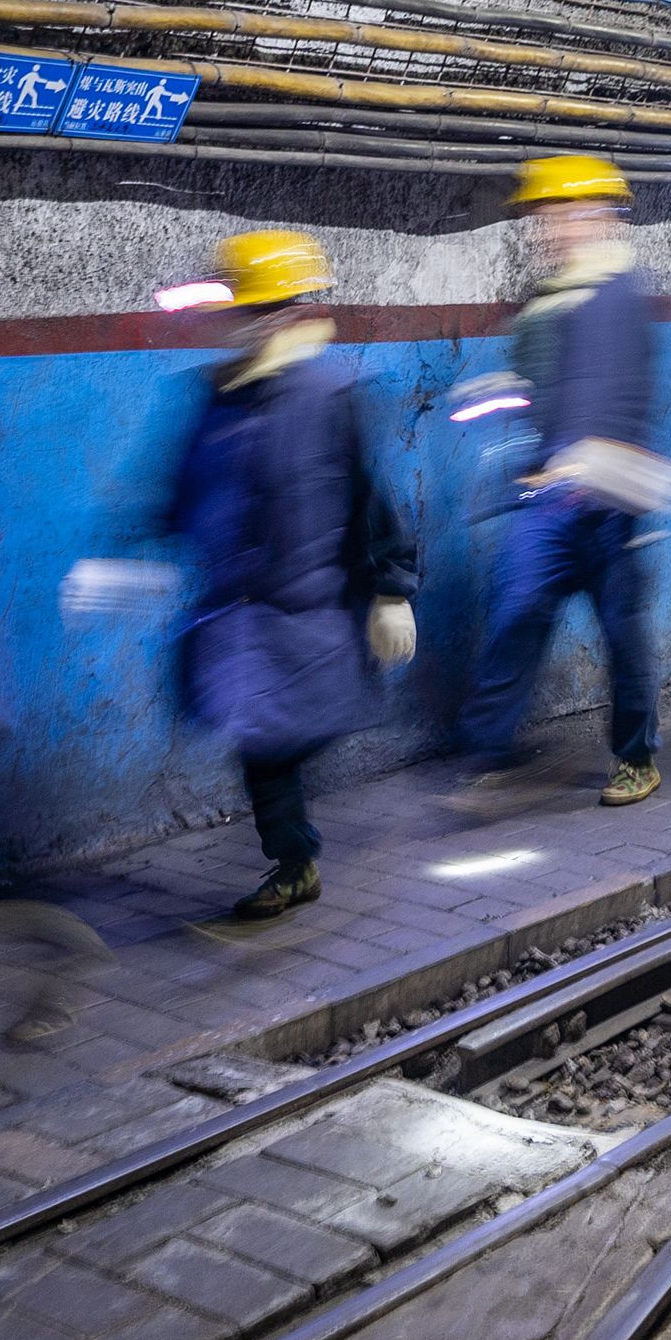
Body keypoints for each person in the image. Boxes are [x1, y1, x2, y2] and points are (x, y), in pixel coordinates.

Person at [164, 230, 418, 912]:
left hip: (312, 614)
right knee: (259, 742)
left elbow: (370, 498)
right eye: (242, 312)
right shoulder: (218, 398)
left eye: (259, 311)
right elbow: (184, 491)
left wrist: (391, 589)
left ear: (283, 313)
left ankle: (295, 856)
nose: (244, 325)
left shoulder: (328, 396)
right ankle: (294, 861)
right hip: (242, 616)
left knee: (288, 734)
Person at [454, 155, 671, 806]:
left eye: (561, 217)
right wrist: (506, 397)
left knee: (623, 634)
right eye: (542, 219)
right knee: (516, 609)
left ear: (598, 217)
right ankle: (492, 749)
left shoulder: (626, 294)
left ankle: (637, 755)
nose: (547, 232)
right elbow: (535, 388)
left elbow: (635, 391)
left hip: (611, 501)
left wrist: (604, 457)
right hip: (547, 498)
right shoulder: (544, 303)